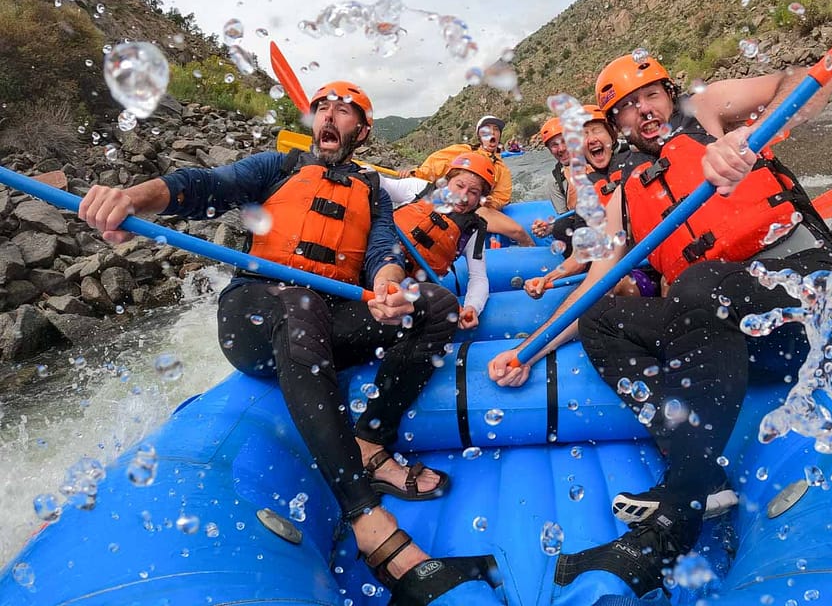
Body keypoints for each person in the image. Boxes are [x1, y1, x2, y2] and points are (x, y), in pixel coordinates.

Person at [79, 80, 489, 601]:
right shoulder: (279, 167)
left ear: (361, 131)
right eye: (322, 107)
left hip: (327, 318)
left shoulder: (371, 190)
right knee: (300, 305)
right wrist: (133, 198)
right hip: (254, 315)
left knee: (437, 305)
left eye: (345, 112)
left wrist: (389, 287)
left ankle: (369, 439)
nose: (330, 116)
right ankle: (366, 517)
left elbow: (382, 252)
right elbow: (203, 185)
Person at [488, 55, 832, 599]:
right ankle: (698, 460)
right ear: (616, 125)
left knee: (699, 284)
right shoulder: (626, 193)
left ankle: (676, 514)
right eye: (627, 108)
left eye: (649, 97)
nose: (643, 112)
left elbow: (802, 83)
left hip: (801, 305)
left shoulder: (706, 111)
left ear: (668, 93)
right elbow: (599, 282)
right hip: (719, 322)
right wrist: (531, 350)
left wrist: (748, 134)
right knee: (602, 319)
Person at [524, 106, 649, 297]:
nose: (590, 139)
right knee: (622, 286)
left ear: (612, 135)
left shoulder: (639, 161)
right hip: (623, 270)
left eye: (597, 130)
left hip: (652, 260)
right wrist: (547, 279)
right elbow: (580, 256)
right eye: (583, 135)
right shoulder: (587, 190)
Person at [381, 152, 493, 331]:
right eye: (459, 185)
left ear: (480, 200)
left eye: (473, 192)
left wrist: (472, 307)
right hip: (377, 270)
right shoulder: (419, 188)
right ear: (447, 181)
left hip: (407, 295)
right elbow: (383, 184)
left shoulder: (471, 231)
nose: (463, 196)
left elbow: (478, 278)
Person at [402, 115, 534, 247]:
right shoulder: (462, 151)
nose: (492, 133)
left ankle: (531, 252)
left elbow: (502, 196)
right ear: (479, 136)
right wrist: (415, 174)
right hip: (451, 201)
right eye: (487, 130)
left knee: (519, 231)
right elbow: (433, 167)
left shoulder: (501, 168)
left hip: (476, 208)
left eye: (496, 130)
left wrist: (491, 202)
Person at [530, 116, 571, 239]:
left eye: (564, 141)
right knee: (560, 228)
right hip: (583, 228)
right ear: (549, 150)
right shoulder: (555, 181)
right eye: (554, 145)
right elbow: (567, 219)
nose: (561, 149)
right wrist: (549, 229)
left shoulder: (596, 161)